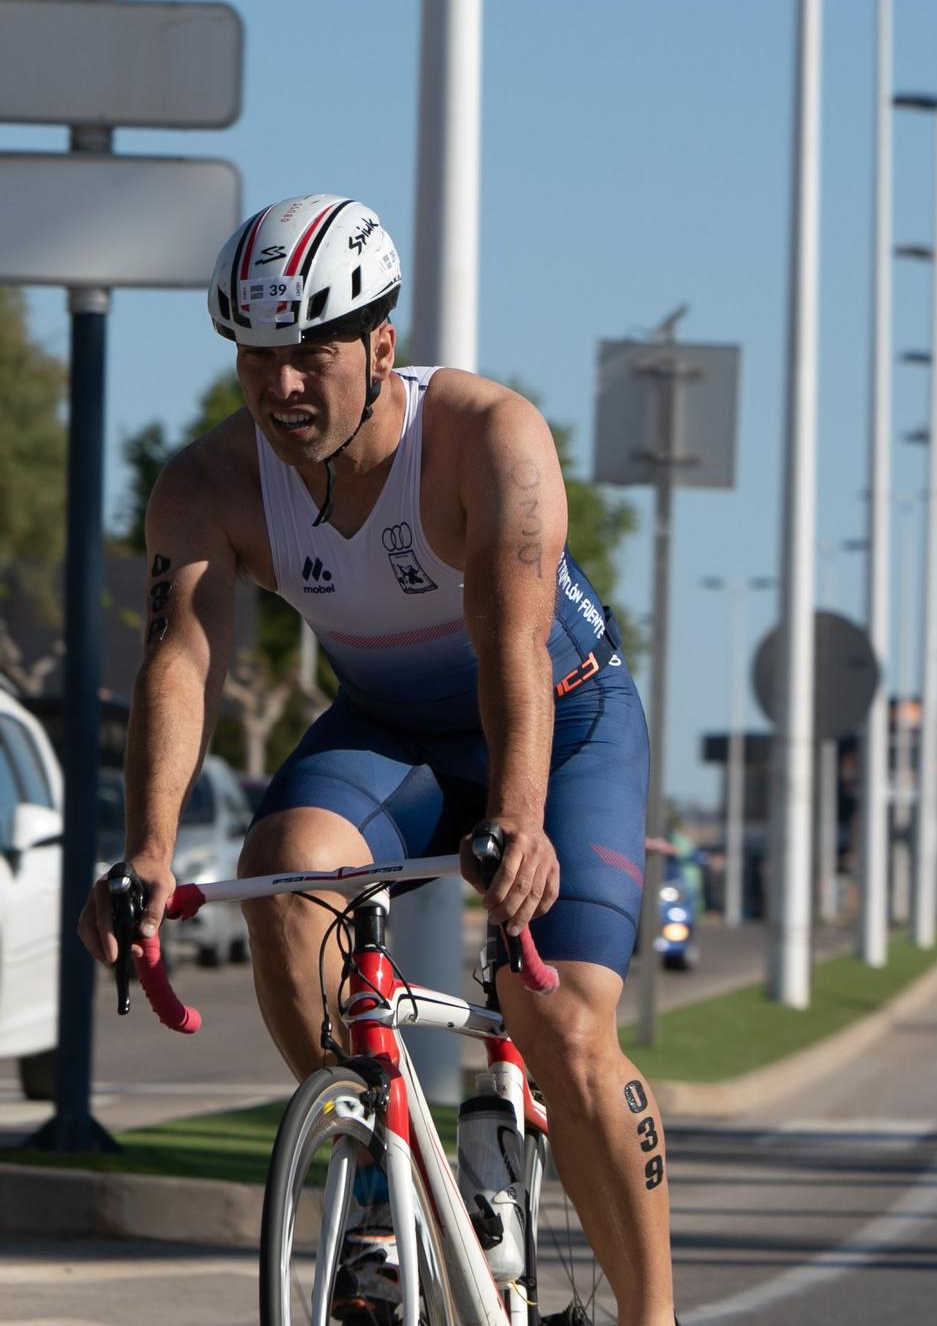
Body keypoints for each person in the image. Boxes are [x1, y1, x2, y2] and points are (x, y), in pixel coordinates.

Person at [73, 196, 676, 1323]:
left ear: (380, 345)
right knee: (285, 872)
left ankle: (654, 1314)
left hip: (562, 716)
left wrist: (521, 818)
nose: (282, 386)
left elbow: (509, 646)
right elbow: (176, 666)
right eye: (259, 356)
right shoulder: (207, 484)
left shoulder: (488, 438)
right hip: (389, 731)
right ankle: (368, 1186)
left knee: (564, 1029)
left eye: (311, 353)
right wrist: (148, 851)